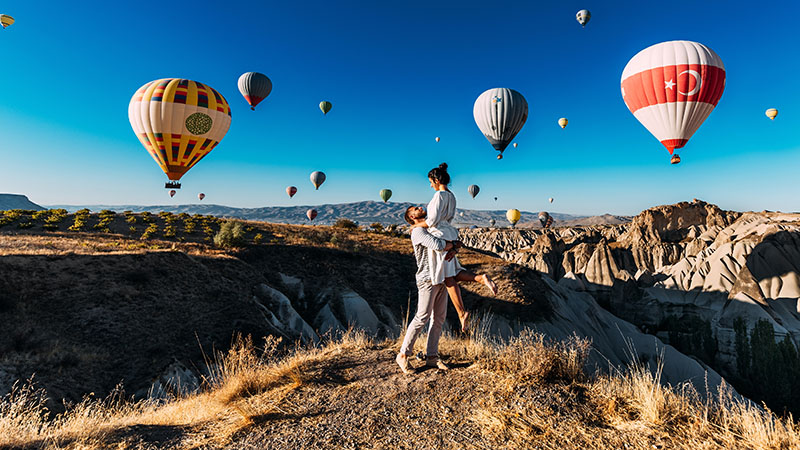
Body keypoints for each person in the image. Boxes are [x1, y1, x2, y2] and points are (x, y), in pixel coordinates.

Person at [397, 205, 496, 374]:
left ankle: (432, 357)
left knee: (439, 318)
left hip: (441, 277)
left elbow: (451, 242)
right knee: (422, 316)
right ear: (411, 217)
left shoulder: (433, 227)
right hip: (427, 279)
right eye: (414, 208)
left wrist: (455, 246)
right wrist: (454, 244)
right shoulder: (417, 232)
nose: (420, 207)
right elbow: (437, 245)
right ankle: (403, 355)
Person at [409, 163, 496, 332]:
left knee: (448, 277)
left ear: (435, 179)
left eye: (430, 181)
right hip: (450, 232)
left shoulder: (438, 196)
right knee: (451, 274)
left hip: (440, 235)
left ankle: (462, 312)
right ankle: (479, 280)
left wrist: (416, 226)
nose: (430, 185)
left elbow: (432, 220)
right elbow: (448, 218)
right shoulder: (451, 195)